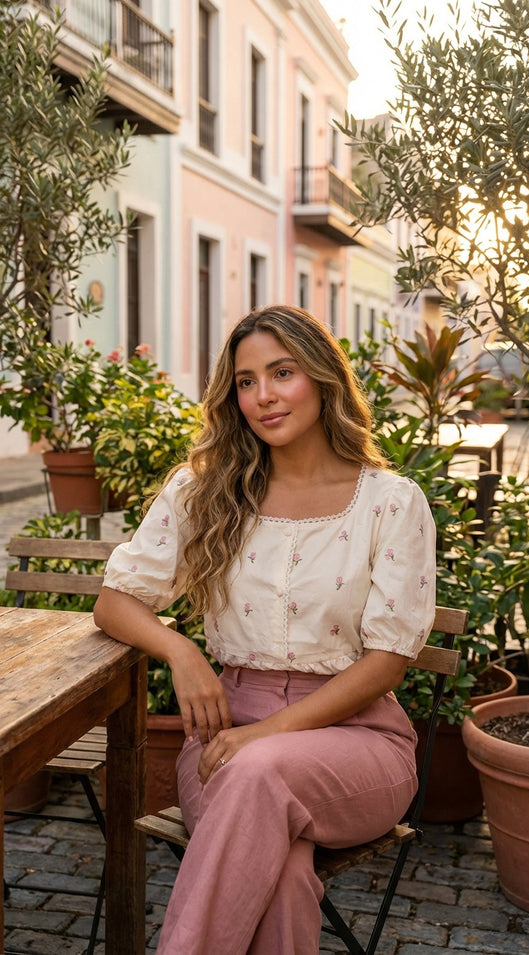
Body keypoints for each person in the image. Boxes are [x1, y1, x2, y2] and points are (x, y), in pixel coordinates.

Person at [94, 304, 436, 955]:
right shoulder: (203, 491)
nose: (263, 396)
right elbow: (115, 602)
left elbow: (387, 662)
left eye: (282, 372)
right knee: (279, 872)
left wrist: (263, 735)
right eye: (245, 382)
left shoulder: (389, 502)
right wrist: (181, 651)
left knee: (257, 772)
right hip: (221, 740)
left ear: (322, 377)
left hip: (357, 742)